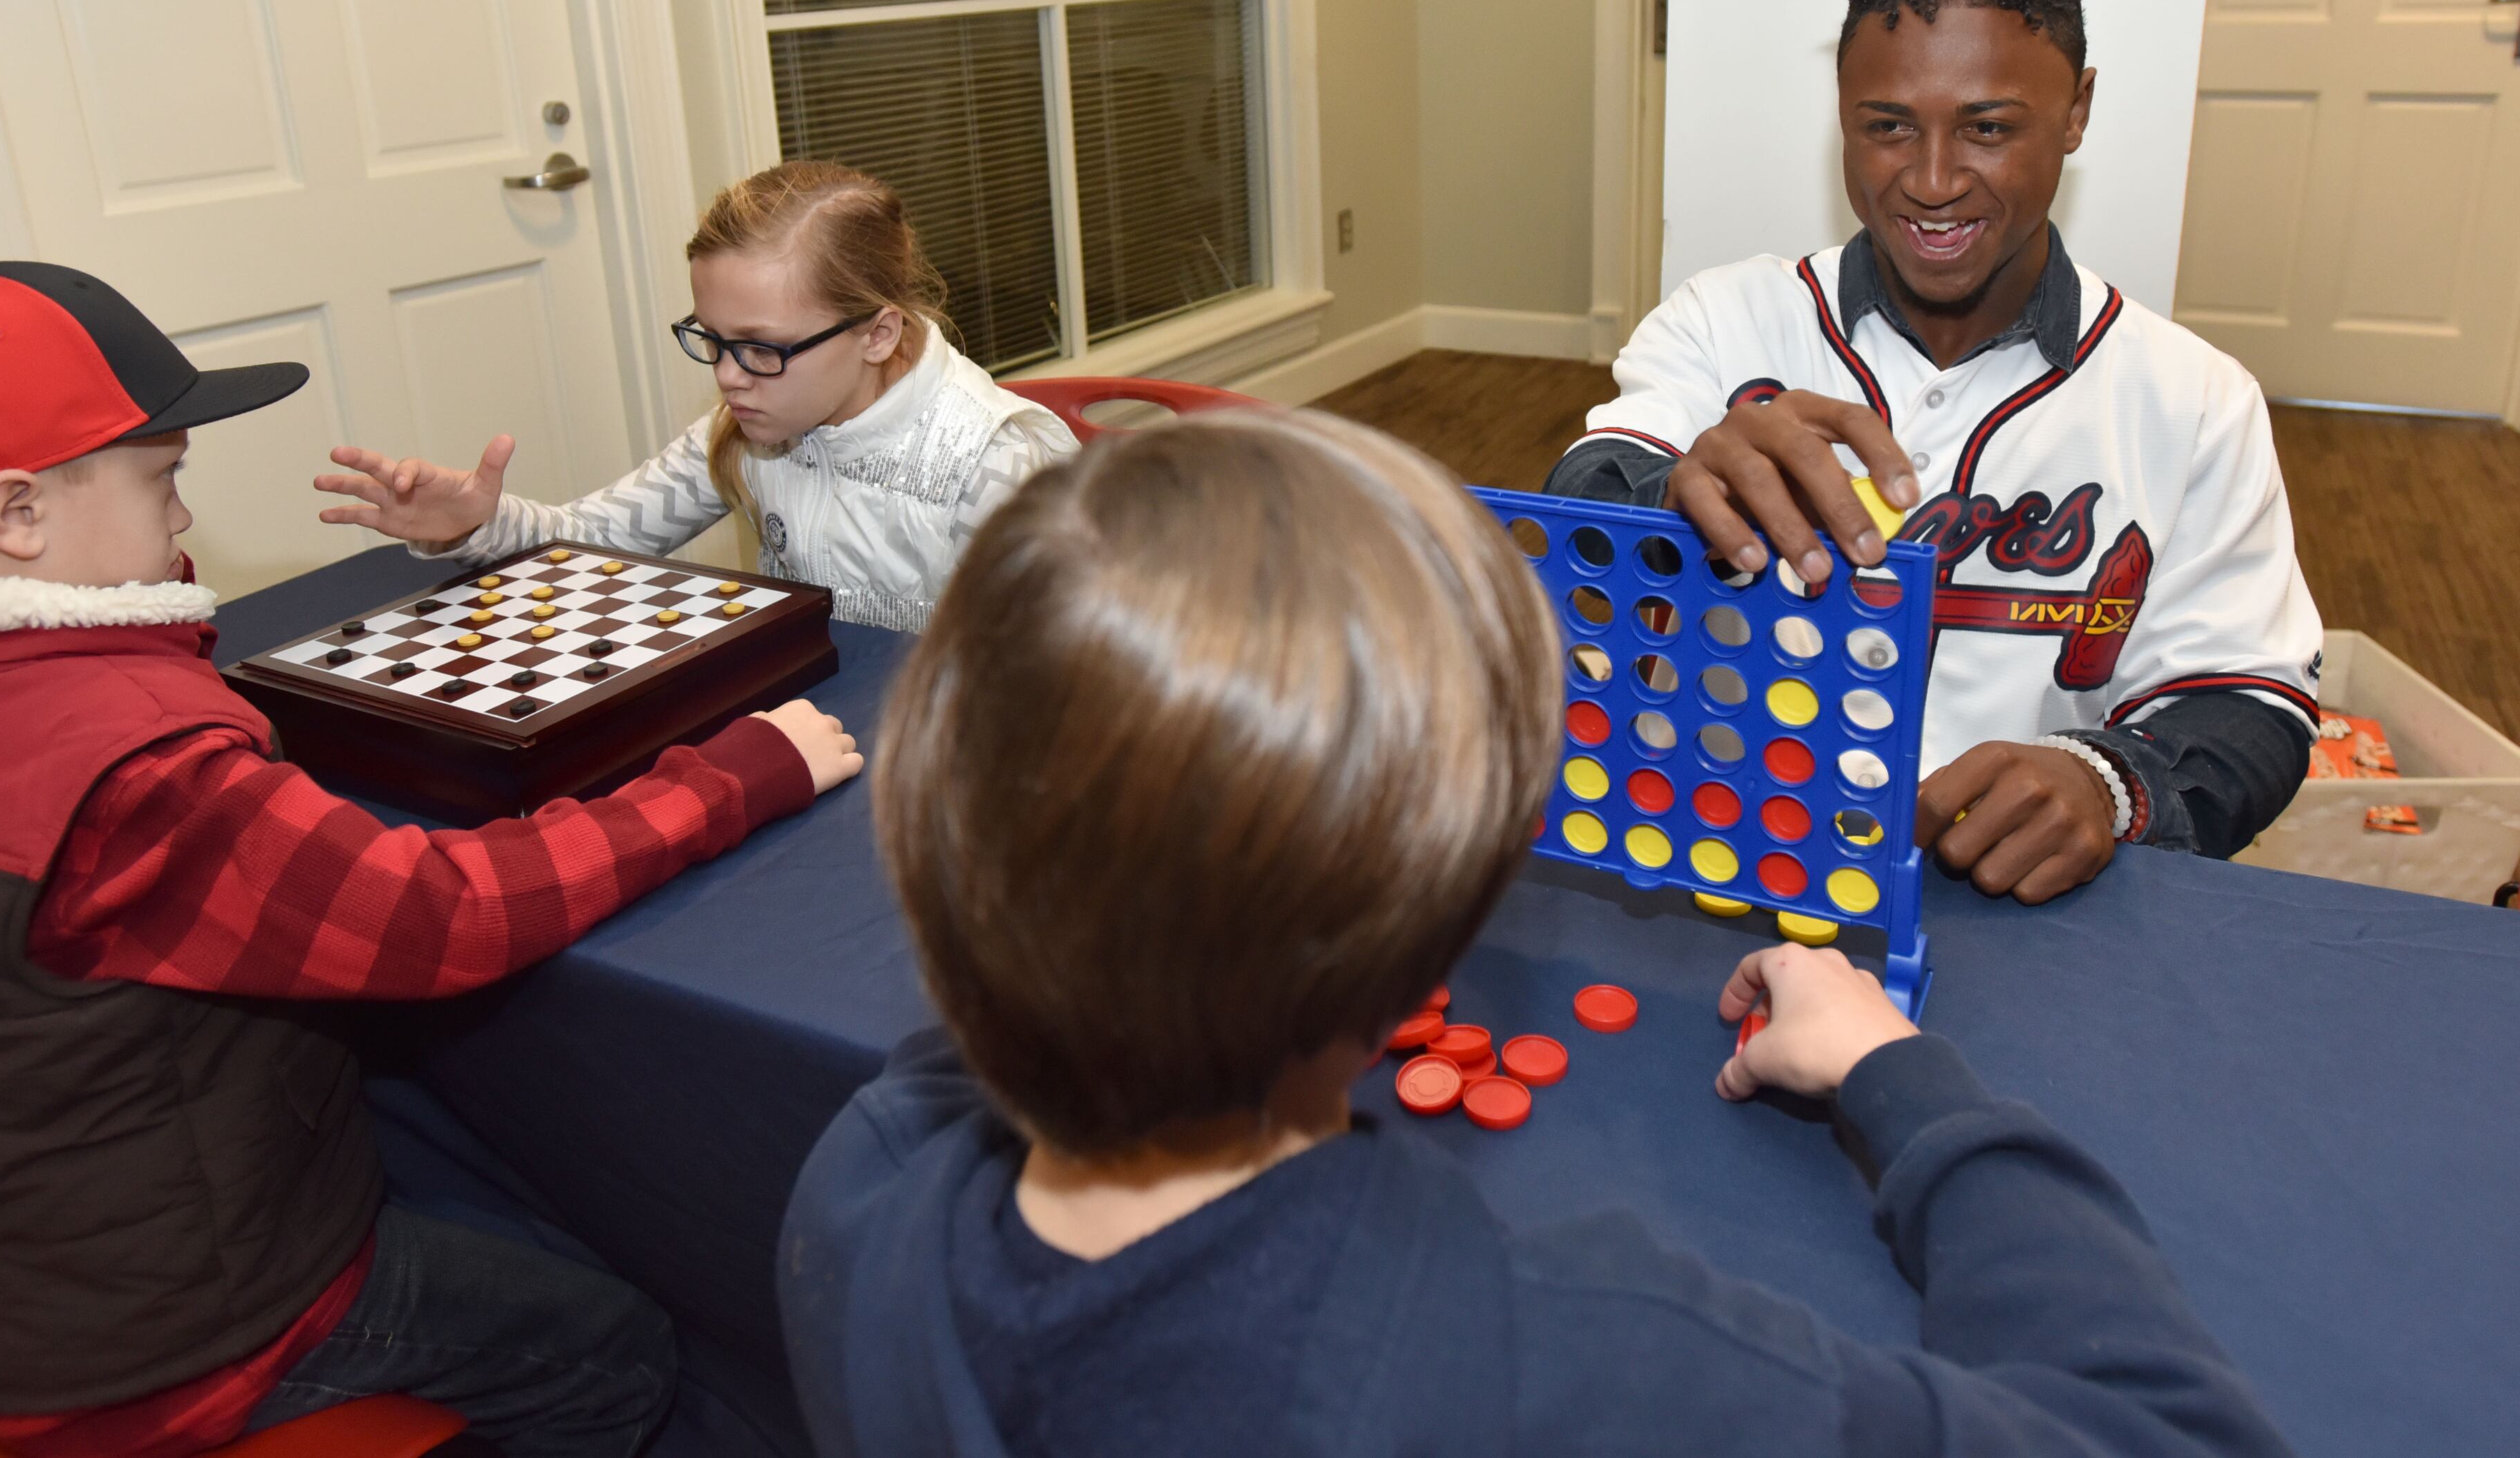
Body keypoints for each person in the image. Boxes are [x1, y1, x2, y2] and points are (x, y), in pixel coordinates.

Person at [777, 409, 2294, 1458]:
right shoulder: (1565, 1363)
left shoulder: (860, 1179)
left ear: (929, 832)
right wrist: (1913, 1088)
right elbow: (2166, 1428)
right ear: (1422, 928)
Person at [0, 260, 862, 1457]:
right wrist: (733, 775)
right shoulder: (133, 777)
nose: (180, 519)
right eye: (163, 481)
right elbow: (448, 914)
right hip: (144, 1339)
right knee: (611, 1344)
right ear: (15, 514)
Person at [1547, 0, 2322, 903]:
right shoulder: (1725, 321)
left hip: (2010, 912)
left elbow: (2248, 703)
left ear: (2078, 109)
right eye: (1888, 127)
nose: (1933, 178)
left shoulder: (2192, 400)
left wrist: (2110, 778)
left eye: (1989, 127)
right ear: (1840, 110)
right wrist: (1683, 487)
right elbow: (1586, 505)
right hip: (1706, 868)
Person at [315, 160, 1079, 632]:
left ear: (878, 335)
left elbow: (1046, 688)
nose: (727, 376)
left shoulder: (999, 464)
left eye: (761, 348)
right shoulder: (757, 423)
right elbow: (591, 539)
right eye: (710, 338)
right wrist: (475, 526)